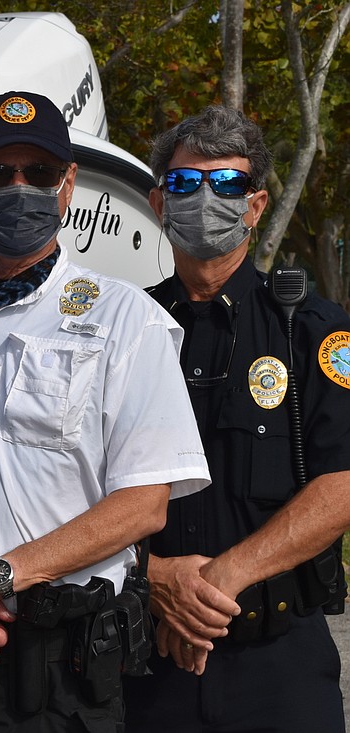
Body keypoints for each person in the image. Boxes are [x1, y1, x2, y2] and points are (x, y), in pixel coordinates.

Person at [0, 90, 211, 732]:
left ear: (68, 185)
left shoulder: (126, 319)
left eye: (38, 173)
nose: (18, 189)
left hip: (60, 674)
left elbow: (144, 503)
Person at [123, 105, 350, 732]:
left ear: (255, 205)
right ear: (158, 202)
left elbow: (341, 484)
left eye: (226, 183)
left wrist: (221, 580)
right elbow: (73, 484)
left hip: (279, 669)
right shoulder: (123, 332)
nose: (204, 198)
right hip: (145, 661)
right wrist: (155, 577)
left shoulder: (311, 330)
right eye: (183, 182)